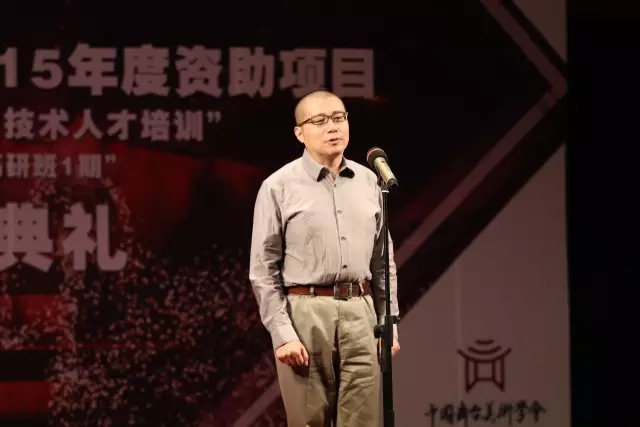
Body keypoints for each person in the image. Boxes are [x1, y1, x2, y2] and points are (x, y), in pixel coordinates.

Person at [249, 90, 400, 427]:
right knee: (309, 421)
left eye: (339, 117)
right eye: (319, 120)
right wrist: (283, 333)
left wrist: (388, 322)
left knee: (363, 421)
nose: (332, 127)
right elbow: (263, 269)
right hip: (305, 313)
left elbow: (383, 261)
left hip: (361, 312)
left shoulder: (369, 182)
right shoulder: (278, 186)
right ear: (299, 133)